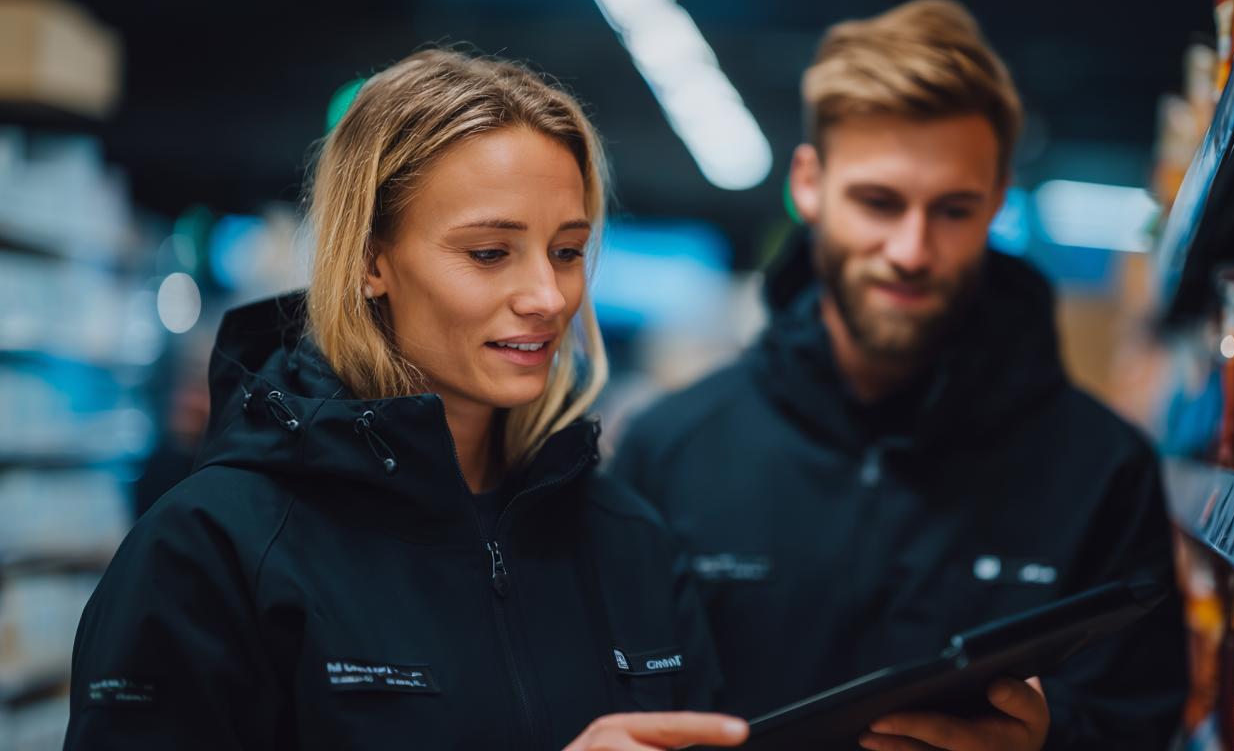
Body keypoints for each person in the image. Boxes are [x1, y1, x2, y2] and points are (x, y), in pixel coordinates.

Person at [64, 49, 749, 751]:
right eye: (489, 253)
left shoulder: (628, 540)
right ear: (369, 261)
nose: (549, 297)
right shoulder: (212, 548)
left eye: (567, 252)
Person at [610, 0, 1189, 750]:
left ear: (996, 204)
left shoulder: (1105, 472)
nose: (912, 250)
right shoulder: (669, 453)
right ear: (811, 184)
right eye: (879, 202)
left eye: (953, 209)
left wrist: (1049, 742)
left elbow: (1140, 723)